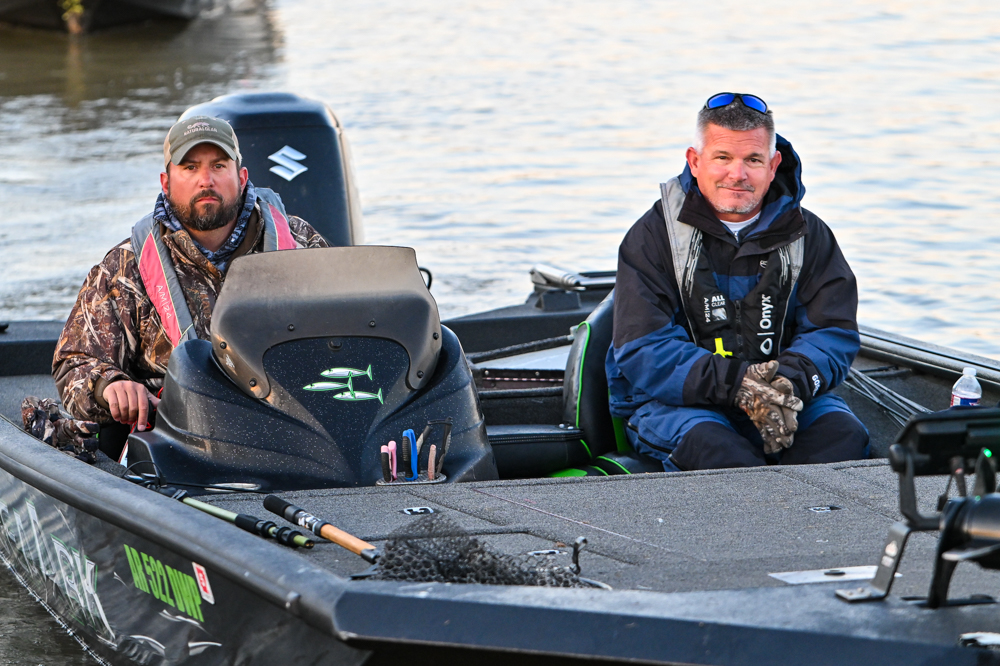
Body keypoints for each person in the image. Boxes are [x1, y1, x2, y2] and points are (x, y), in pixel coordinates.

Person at [606, 92, 868, 471]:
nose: (738, 174)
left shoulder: (811, 234)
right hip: (677, 403)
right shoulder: (651, 237)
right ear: (695, 161)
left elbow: (833, 332)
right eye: (723, 158)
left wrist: (787, 383)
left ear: (773, 165)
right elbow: (644, 348)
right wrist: (739, 386)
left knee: (843, 436)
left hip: (784, 394)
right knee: (720, 454)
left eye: (753, 160)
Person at [53, 116, 328, 437]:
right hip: (181, 444)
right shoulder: (126, 265)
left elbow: (351, 335)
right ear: (166, 182)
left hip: (295, 433)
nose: (205, 180)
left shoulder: (300, 242)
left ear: (241, 177)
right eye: (190, 167)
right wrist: (109, 386)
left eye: (219, 166)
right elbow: (73, 364)